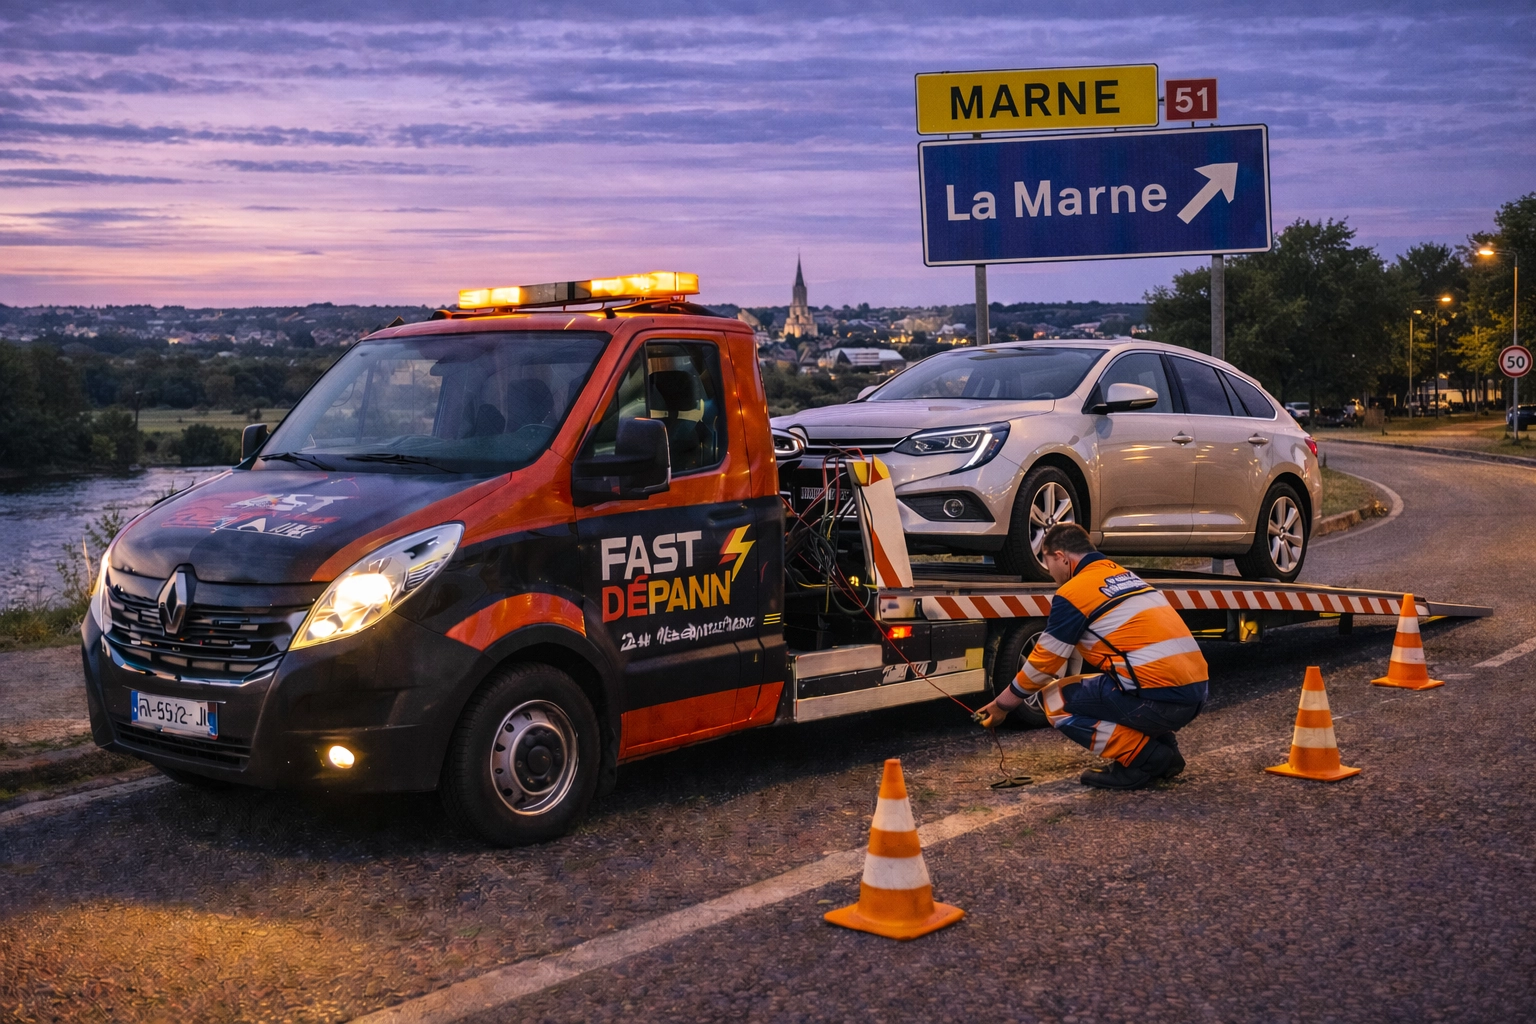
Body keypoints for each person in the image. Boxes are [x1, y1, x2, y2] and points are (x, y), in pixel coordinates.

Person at [976, 522, 1209, 790]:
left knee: (1055, 699)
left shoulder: (1074, 593)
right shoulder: (1126, 577)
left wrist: (1002, 705)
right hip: (1195, 695)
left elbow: (1043, 665)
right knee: (1116, 678)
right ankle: (1166, 751)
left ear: (1061, 557)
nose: (1049, 572)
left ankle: (1144, 759)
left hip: (1160, 702)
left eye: (1048, 561)